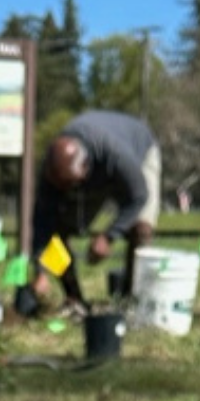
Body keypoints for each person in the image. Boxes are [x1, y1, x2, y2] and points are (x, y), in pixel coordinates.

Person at [29, 110, 160, 312]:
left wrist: (109, 236)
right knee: (58, 231)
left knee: (141, 229)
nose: (66, 192)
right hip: (94, 179)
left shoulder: (114, 153)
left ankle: (131, 299)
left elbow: (139, 196)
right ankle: (74, 299)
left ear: (85, 167)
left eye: (71, 185)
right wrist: (40, 271)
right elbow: (41, 223)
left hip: (140, 154)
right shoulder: (52, 172)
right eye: (63, 187)